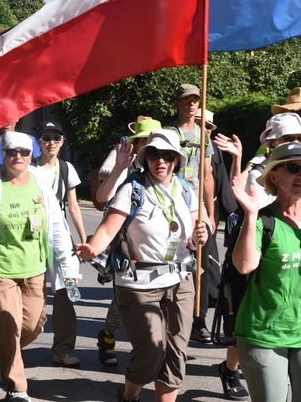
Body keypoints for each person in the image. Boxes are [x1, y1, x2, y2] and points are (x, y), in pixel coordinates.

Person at [76, 129, 208, 402]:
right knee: (150, 350)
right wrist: (93, 248)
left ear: (177, 160)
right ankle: (129, 394)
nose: (161, 161)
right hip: (137, 285)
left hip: (180, 281)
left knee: (176, 351)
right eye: (155, 155)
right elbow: (107, 229)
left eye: (168, 155)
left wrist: (199, 237)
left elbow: (196, 234)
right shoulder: (132, 190)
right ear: (146, 158)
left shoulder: (186, 191)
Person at [0, 131, 80, 402]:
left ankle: (6, 356)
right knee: (10, 325)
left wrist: (68, 266)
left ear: (31, 155)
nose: (18, 157)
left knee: (32, 326)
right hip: (1, 271)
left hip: (35, 271)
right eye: (11, 152)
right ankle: (17, 388)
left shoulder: (41, 181)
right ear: (3, 155)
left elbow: (56, 227)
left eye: (24, 152)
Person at [230, 142, 301, 402]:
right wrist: (249, 213)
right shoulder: (263, 221)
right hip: (264, 332)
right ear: (273, 176)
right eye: (293, 168)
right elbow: (244, 266)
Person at [93, 115, 161, 367]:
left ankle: (146, 350)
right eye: (146, 141)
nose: (152, 148)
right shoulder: (124, 158)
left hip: (154, 241)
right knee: (123, 299)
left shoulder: (164, 164)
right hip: (122, 239)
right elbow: (103, 190)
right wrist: (120, 166)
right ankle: (109, 335)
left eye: (154, 142)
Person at [34, 120, 86, 368]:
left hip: (60, 237)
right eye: (46, 138)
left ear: (62, 142)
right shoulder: (29, 168)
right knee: (32, 288)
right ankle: (20, 338)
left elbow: (73, 206)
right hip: (31, 236)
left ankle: (63, 349)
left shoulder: (67, 169)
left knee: (68, 291)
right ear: (39, 142)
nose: (51, 143)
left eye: (56, 138)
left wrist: (84, 239)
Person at [171, 83, 215, 342]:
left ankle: (199, 320)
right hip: (173, 202)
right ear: (177, 103)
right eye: (186, 99)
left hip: (196, 205)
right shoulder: (170, 133)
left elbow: (207, 175)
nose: (191, 104)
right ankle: (172, 312)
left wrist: (210, 212)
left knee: (202, 263)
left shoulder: (203, 135)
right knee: (175, 258)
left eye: (195, 99)